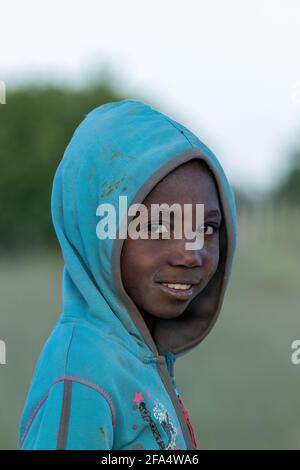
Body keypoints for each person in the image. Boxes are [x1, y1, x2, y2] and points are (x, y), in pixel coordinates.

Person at [19, 99, 237, 450]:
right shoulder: (81, 380)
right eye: (155, 226)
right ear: (96, 232)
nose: (190, 252)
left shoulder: (138, 354)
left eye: (207, 227)